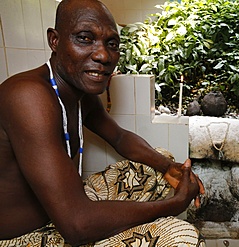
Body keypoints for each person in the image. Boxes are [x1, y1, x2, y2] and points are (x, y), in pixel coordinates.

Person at [0, 0, 205, 246]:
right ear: (54, 40)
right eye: (85, 38)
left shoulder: (78, 92)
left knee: (152, 166)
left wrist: (169, 166)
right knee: (181, 238)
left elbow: (118, 137)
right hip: (25, 237)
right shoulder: (28, 96)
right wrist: (174, 204)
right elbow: (77, 226)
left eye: (112, 44)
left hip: (67, 213)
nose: (103, 55)